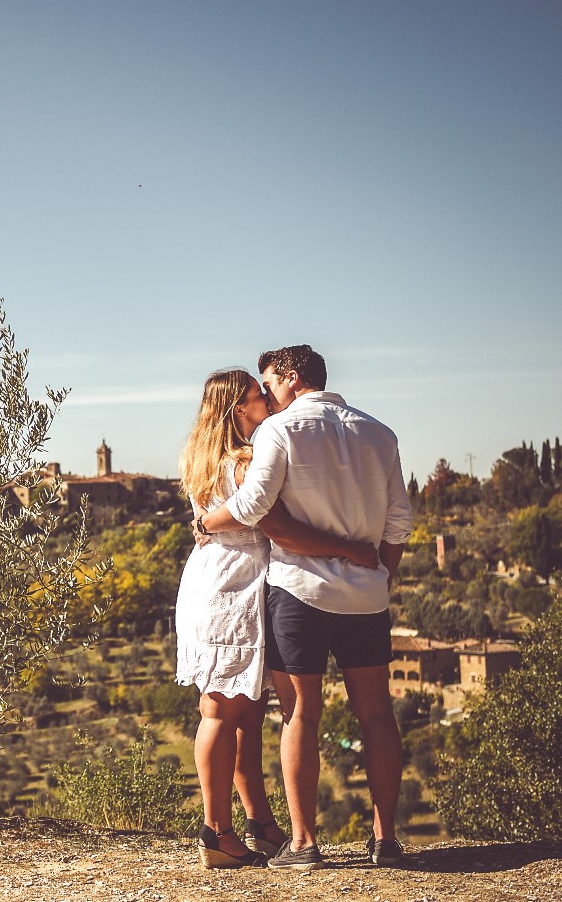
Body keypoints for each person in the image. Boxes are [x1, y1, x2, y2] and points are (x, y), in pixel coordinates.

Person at [199, 345, 412, 871]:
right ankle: (385, 840)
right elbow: (399, 524)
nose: (267, 394)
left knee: (300, 716)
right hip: (366, 596)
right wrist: (379, 574)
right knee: (378, 715)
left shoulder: (280, 430)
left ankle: (304, 844)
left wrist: (205, 523)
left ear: (291, 378)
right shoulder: (380, 433)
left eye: (269, 383)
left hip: (298, 593)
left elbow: (253, 507)